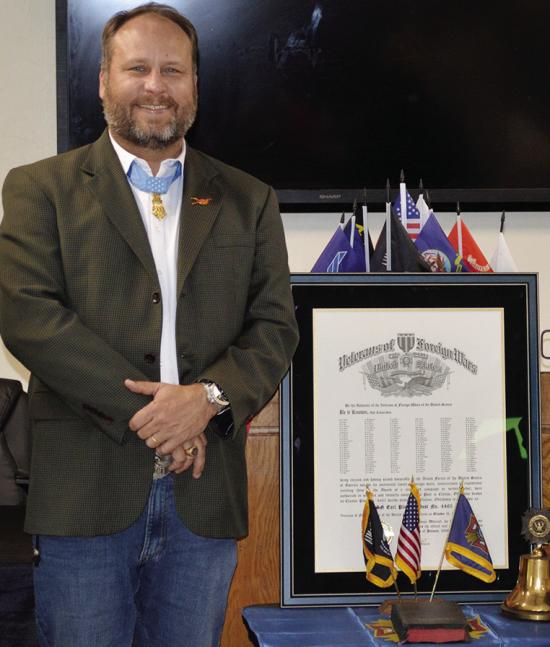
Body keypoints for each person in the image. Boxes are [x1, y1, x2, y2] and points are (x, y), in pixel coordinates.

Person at [0, 3, 299, 646]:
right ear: (104, 81)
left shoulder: (248, 199)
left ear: (195, 86)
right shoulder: (39, 189)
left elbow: (275, 327)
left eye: (174, 70)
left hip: (204, 496)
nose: (156, 86)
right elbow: (29, 315)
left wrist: (207, 401)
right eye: (137, 68)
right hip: (84, 497)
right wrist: (159, 417)